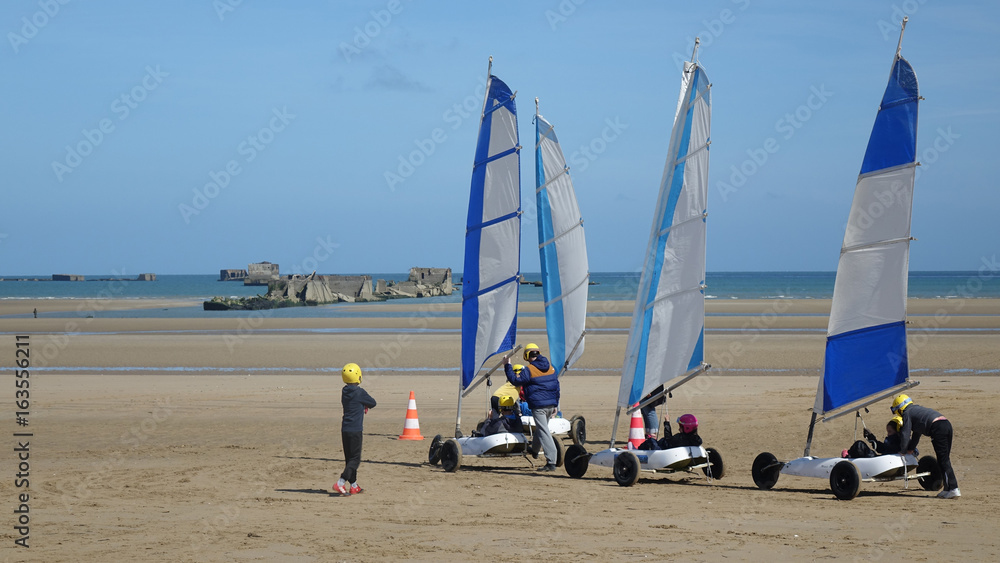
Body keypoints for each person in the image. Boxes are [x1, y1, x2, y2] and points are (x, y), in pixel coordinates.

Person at [504, 343, 560, 472]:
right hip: (550, 405)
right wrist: (556, 404)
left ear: (527, 355)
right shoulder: (551, 368)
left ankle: (551, 461)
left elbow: (515, 381)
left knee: (544, 431)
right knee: (541, 429)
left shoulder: (529, 369)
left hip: (539, 406)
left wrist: (507, 365)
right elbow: (557, 387)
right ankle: (534, 450)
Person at [892, 394, 959, 499]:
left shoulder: (907, 413)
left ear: (899, 409)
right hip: (946, 424)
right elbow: (916, 434)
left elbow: (906, 433)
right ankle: (947, 488)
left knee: (943, 460)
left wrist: (903, 451)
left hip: (937, 428)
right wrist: (911, 449)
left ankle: (954, 488)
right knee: (944, 459)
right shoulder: (916, 409)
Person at [334, 362, 376, 496]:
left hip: (345, 429)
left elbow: (356, 402)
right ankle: (340, 482)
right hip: (355, 429)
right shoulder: (359, 392)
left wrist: (362, 405)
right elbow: (373, 402)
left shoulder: (344, 391)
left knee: (349, 458)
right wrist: (364, 404)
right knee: (355, 459)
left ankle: (353, 485)